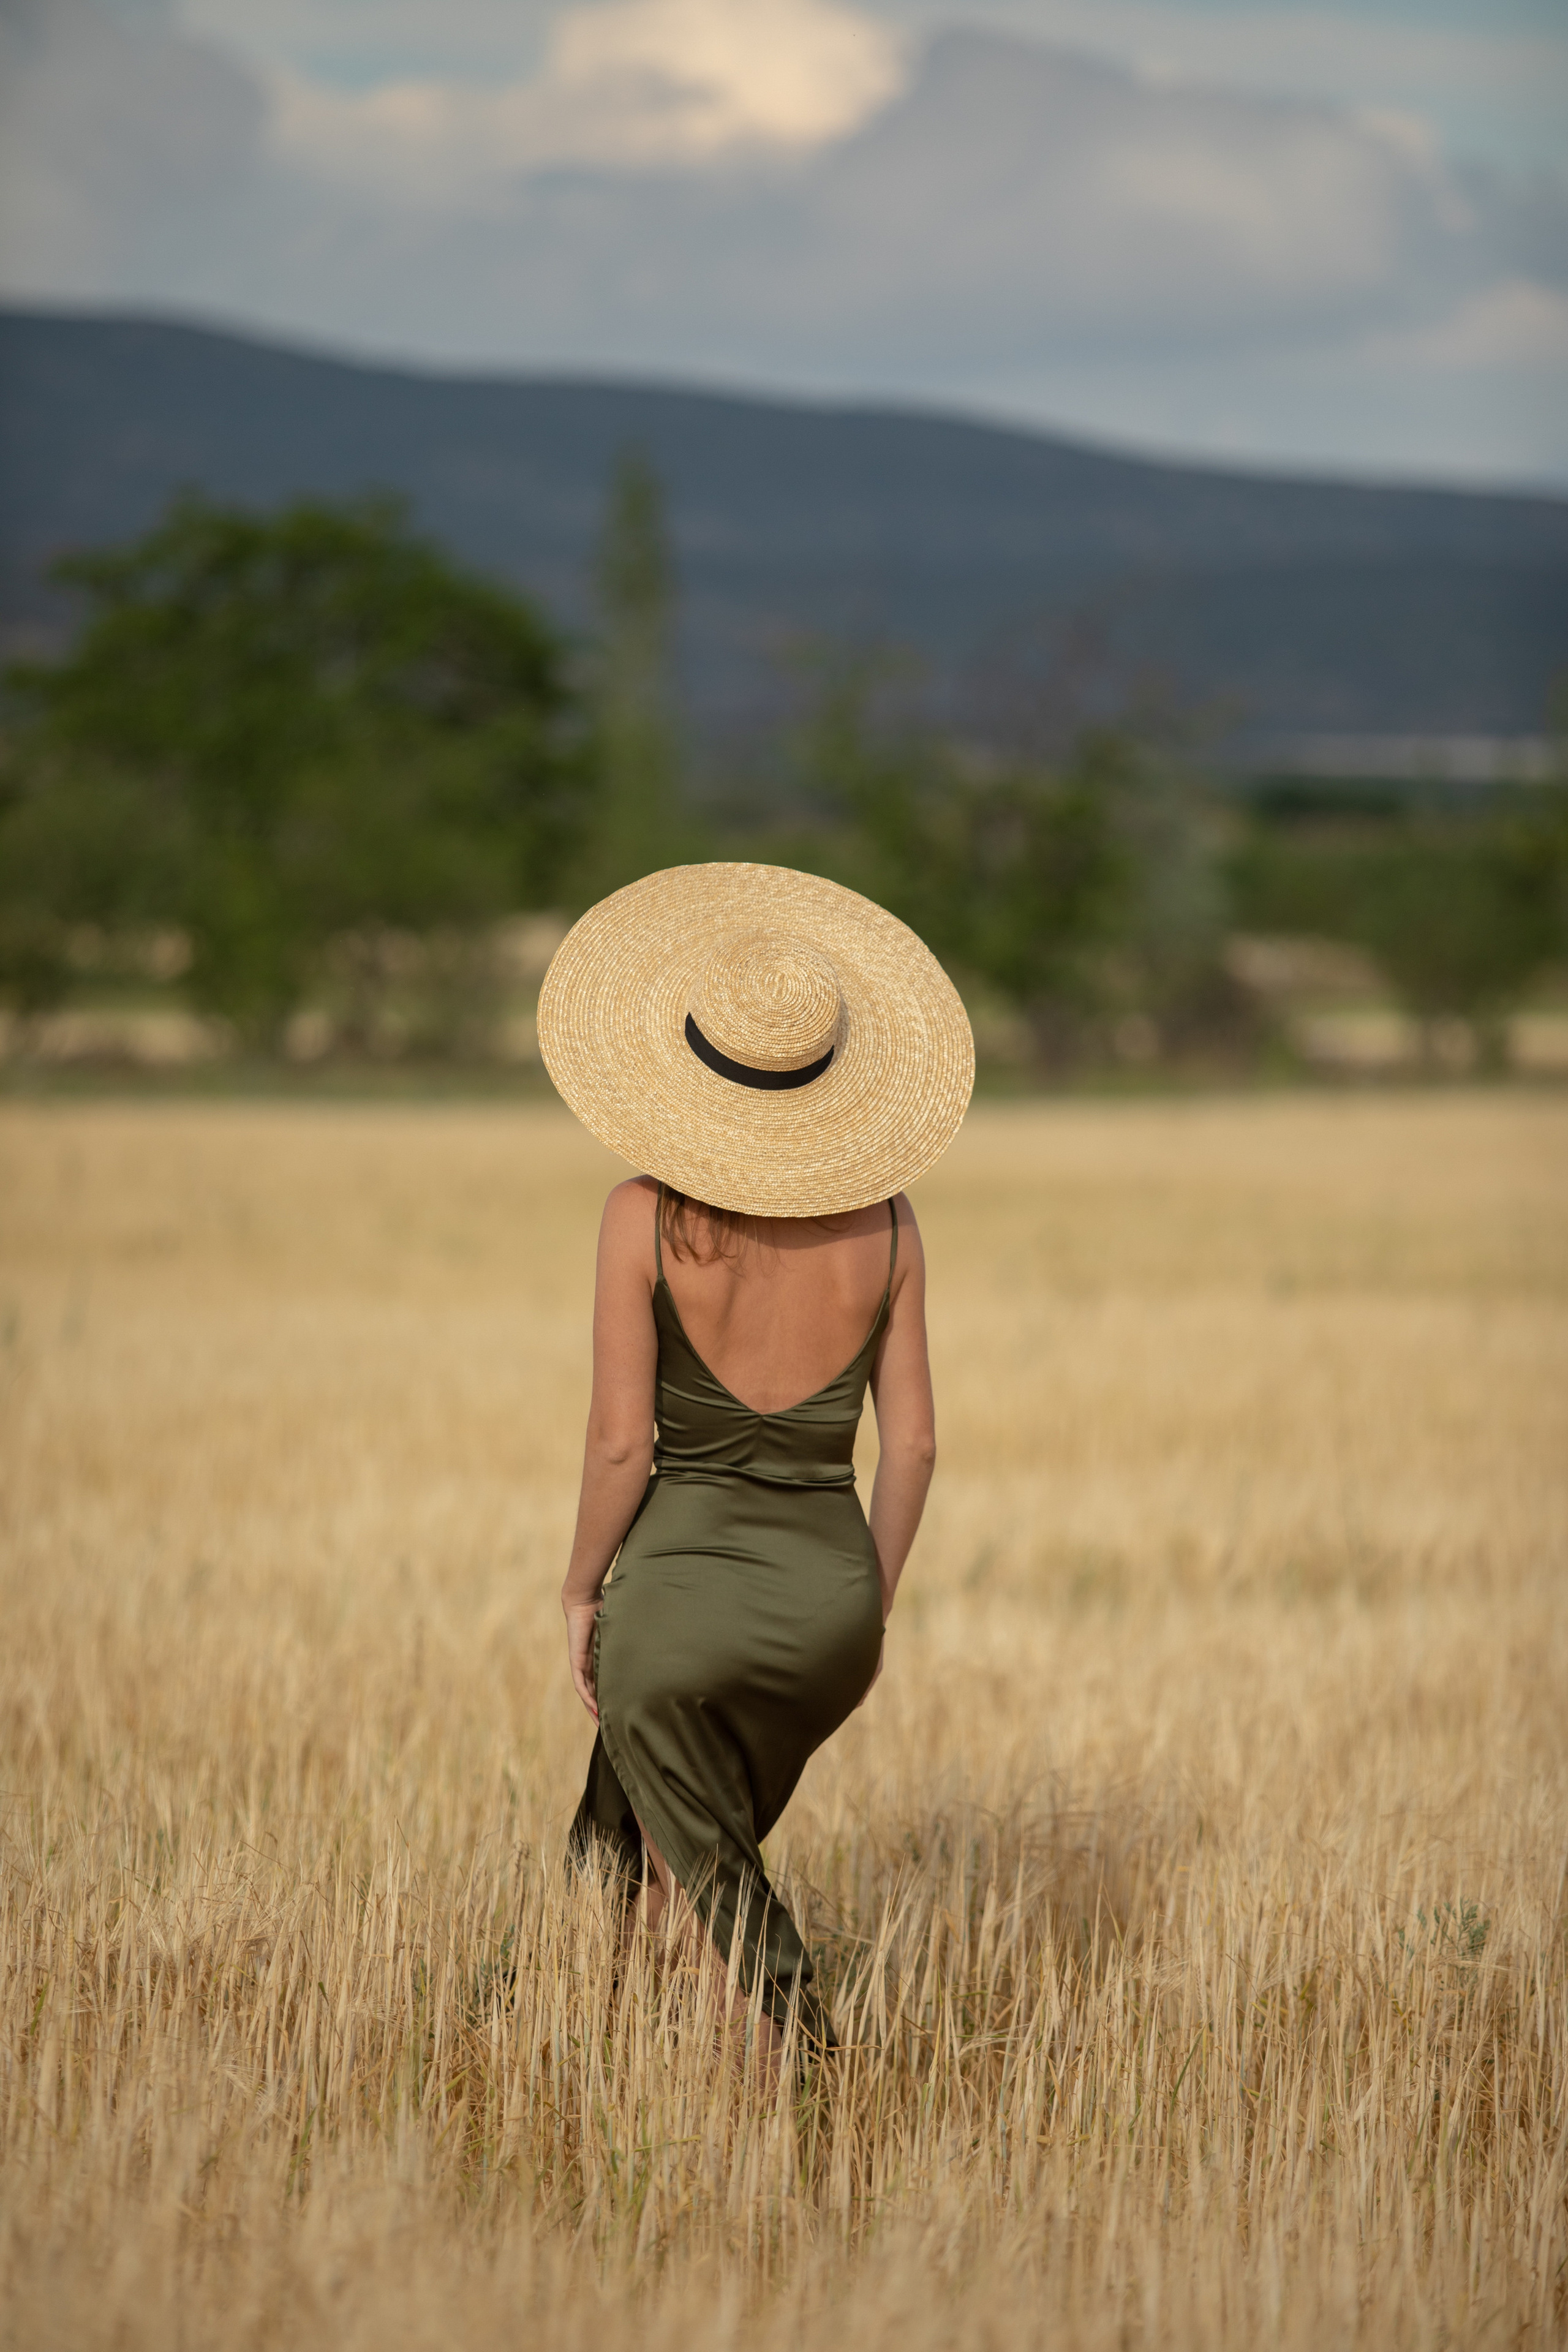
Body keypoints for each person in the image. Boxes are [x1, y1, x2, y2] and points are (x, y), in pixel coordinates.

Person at [536, 862, 974, 2078]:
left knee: (705, 1883)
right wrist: (864, 1599)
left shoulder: (643, 1215)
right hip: (829, 1602)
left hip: (676, 1601)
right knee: (683, 1847)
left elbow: (623, 1442)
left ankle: (794, 2084)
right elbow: (918, 1445)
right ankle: (640, 2072)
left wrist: (580, 1591)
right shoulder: (886, 1224)